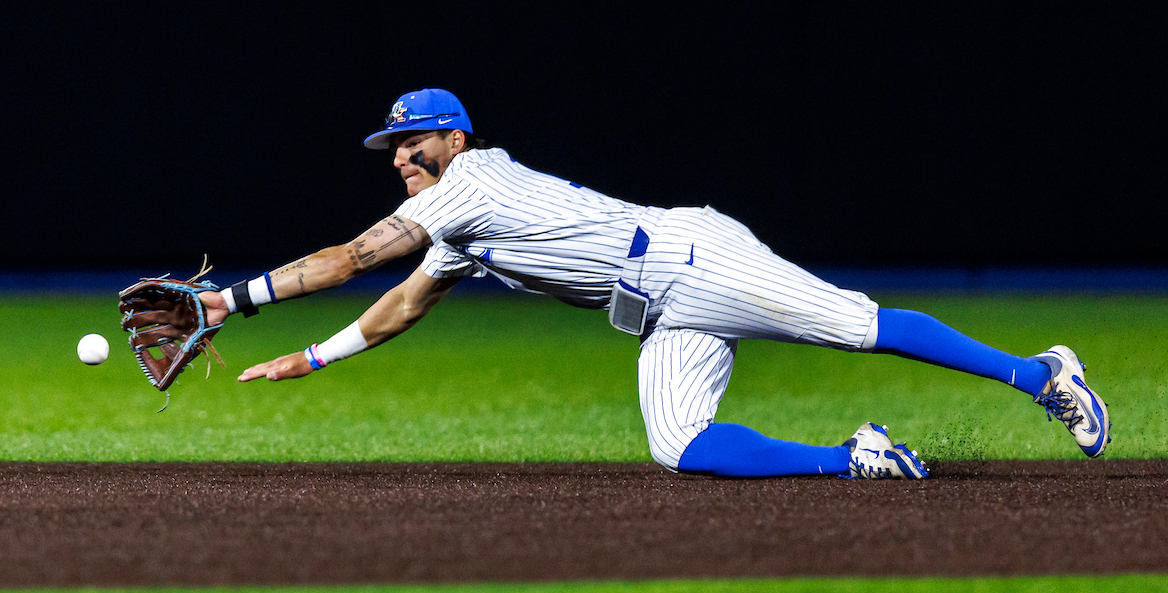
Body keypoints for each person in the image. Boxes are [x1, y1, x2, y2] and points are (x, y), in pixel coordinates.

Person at [197, 88, 1111, 479]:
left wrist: (230, 301)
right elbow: (402, 302)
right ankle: (857, 457)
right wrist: (311, 360)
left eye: (412, 140)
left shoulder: (469, 183)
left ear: (455, 140)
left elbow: (360, 258)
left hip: (687, 258)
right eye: (390, 146)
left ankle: (1043, 375)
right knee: (679, 446)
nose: (398, 155)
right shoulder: (459, 220)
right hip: (662, 312)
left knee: (856, 325)